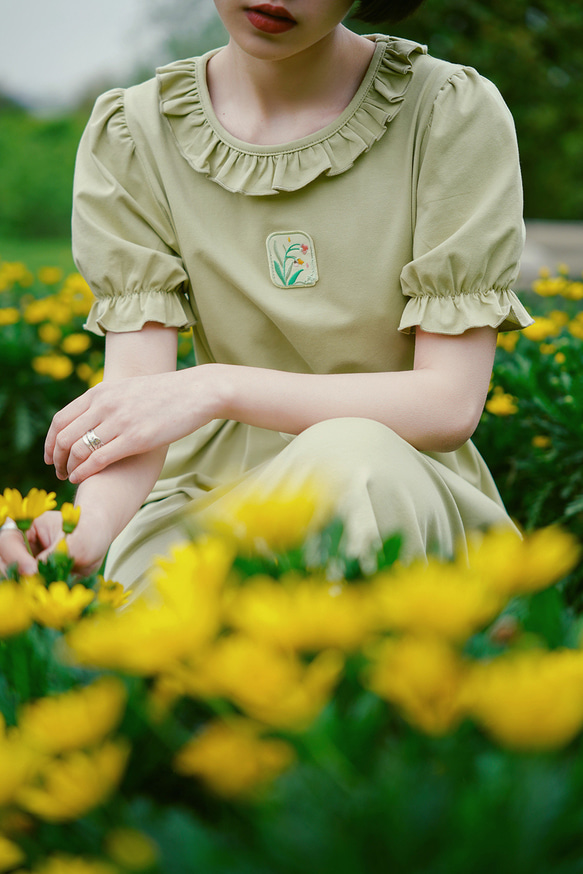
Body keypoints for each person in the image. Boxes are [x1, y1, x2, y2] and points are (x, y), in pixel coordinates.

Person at [0, 0, 533, 591]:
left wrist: (214, 387)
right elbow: (137, 400)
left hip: (398, 488)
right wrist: (87, 531)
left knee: (353, 459)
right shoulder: (133, 133)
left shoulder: (447, 112)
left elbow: (448, 404)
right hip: (205, 504)